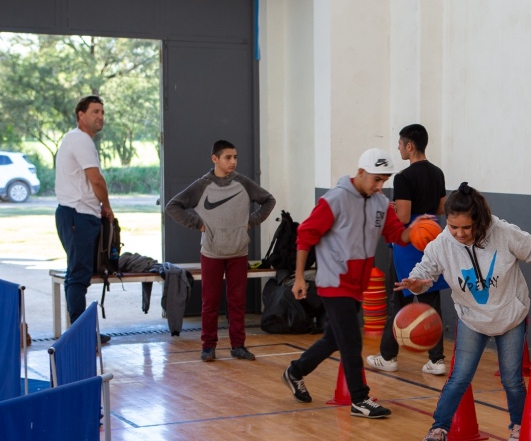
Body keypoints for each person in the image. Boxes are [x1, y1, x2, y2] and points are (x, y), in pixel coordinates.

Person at [398, 182, 531, 441]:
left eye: (466, 228)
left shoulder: (503, 234)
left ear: (480, 220)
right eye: (454, 227)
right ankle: (438, 431)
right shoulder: (443, 243)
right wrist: (417, 283)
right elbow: (425, 271)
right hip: (471, 319)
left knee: (512, 379)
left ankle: (518, 426)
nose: (459, 233)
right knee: (459, 378)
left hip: (509, 316)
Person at [280, 148, 416, 418]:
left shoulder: (379, 202)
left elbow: (397, 236)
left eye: (384, 181)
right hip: (334, 280)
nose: (380, 186)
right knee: (352, 340)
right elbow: (305, 235)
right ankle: (360, 399)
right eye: (376, 179)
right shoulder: (335, 199)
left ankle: (295, 371)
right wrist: (298, 278)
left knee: (334, 339)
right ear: (361, 172)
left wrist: (420, 229)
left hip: (357, 283)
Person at [166, 140, 276, 362]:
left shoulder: (244, 183)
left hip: (239, 252)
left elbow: (268, 200)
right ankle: (208, 347)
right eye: (228, 157)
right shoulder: (201, 185)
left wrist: (251, 221)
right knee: (210, 302)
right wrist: (199, 224)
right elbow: (172, 206)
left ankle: (238, 346)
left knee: (237, 301)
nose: (233, 161)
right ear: (215, 159)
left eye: (235, 157)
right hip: (212, 253)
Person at [366, 124, 448, 375]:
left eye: (400, 144)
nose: (399, 148)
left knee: (399, 300)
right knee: (430, 302)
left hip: (409, 242)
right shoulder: (438, 172)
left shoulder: (403, 177)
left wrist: (392, 210)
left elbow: (402, 215)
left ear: (410, 146)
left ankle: (388, 357)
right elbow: (441, 208)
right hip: (432, 240)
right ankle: (437, 360)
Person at [54, 95, 114, 344]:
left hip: (78, 214)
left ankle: (83, 333)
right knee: (78, 275)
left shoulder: (77, 139)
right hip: (77, 214)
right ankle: (81, 337)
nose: (100, 116)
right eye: (94, 111)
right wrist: (107, 206)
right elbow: (96, 179)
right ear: (81, 115)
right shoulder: (80, 140)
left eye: (102, 112)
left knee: (80, 273)